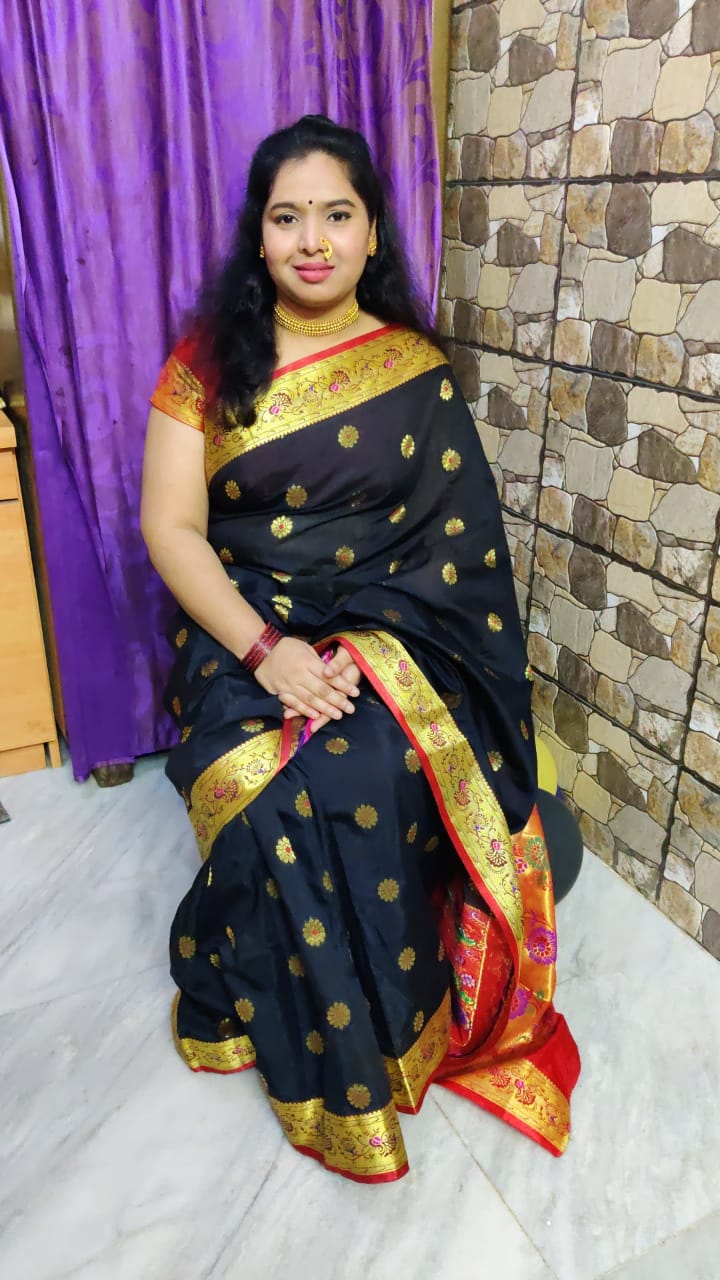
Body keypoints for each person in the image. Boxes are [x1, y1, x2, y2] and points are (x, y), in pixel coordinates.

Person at [141, 115, 580, 1184]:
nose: (312, 240)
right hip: (241, 625)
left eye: (336, 215)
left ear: (372, 233)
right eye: (287, 217)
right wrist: (269, 653)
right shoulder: (205, 365)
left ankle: (394, 1016)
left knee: (367, 766)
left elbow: (455, 553)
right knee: (264, 785)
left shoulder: (413, 371)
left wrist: (365, 653)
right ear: (258, 237)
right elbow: (172, 529)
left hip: (396, 629)